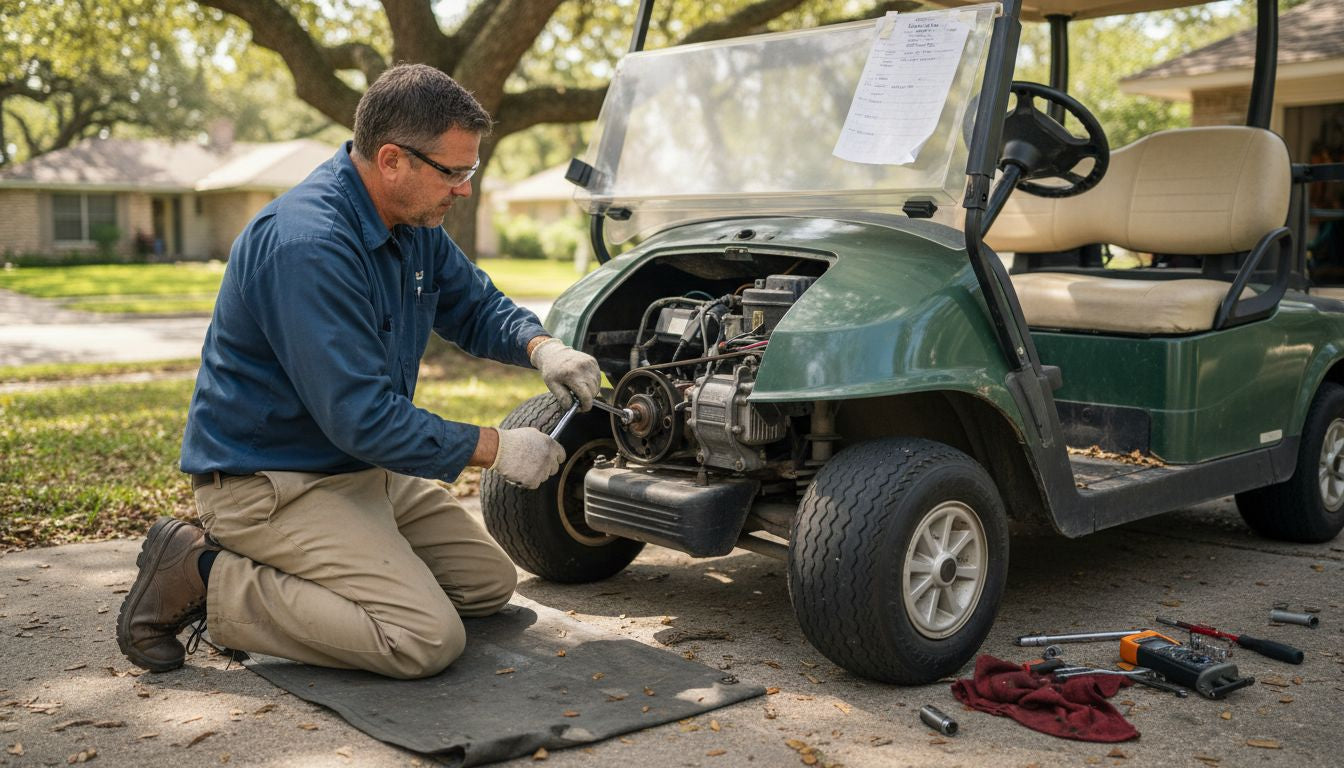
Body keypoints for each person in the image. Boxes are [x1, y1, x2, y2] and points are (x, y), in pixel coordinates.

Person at [116, 64, 601, 679]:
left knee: (486, 586)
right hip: (272, 483)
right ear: (392, 159)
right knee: (423, 640)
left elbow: (473, 303)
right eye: (454, 172)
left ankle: (344, 577)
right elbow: (363, 417)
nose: (465, 189)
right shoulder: (307, 244)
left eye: (470, 171)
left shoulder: (411, 220)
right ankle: (204, 574)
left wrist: (541, 348)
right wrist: (497, 448)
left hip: (357, 466)